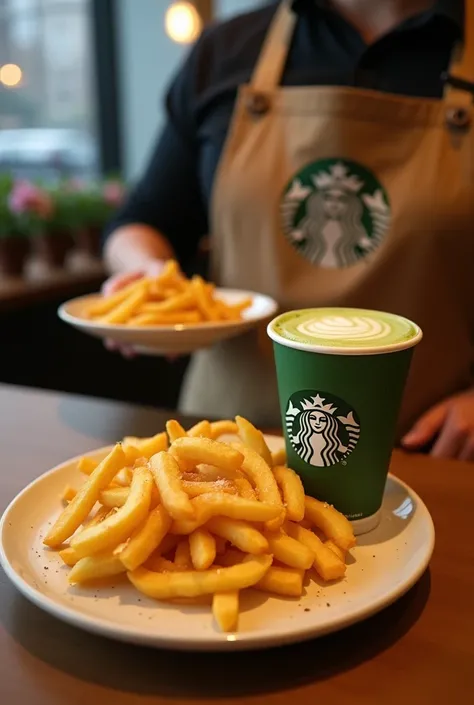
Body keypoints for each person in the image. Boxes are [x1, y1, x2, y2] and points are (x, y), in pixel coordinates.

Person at [103, 0, 474, 460]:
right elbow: (143, 221)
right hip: (222, 455)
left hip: (423, 454)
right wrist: (146, 277)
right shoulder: (228, 50)